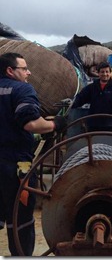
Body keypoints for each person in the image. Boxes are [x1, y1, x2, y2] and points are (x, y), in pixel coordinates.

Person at [0, 52, 67, 256]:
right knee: (20, 218)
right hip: (17, 167)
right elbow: (30, 123)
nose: (28, 73)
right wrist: (56, 124)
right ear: (10, 71)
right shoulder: (22, 89)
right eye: (24, 68)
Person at [71, 61, 112, 132]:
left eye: (107, 72)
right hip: (94, 125)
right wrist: (71, 103)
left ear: (110, 73)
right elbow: (81, 98)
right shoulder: (92, 87)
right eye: (102, 72)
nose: (105, 74)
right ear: (98, 73)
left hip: (111, 125)